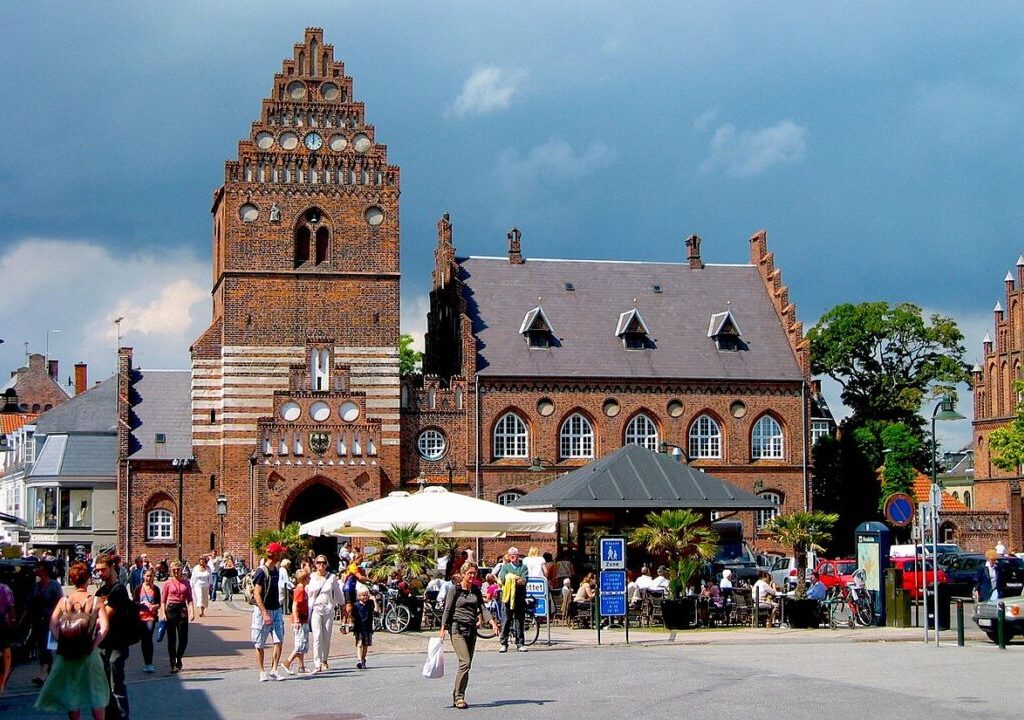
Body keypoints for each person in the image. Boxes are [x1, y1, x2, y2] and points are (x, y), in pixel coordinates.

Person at [35, 561, 109, 720]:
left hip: (67, 653)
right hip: (89, 654)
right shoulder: (96, 601)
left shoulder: (64, 600)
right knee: (96, 693)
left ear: (72, 579)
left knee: (71, 692)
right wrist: (93, 645)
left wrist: (62, 640)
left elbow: (53, 623)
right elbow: (104, 628)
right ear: (88, 579)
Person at [439, 562, 499, 710]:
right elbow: (447, 609)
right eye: (469, 573)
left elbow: (482, 608)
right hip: (457, 629)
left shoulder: (476, 590)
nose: (472, 576)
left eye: (474, 573)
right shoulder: (455, 589)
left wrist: (492, 623)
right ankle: (459, 697)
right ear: (463, 574)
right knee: (464, 662)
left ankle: (458, 693)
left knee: (467, 665)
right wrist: (443, 628)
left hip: (471, 630)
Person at [93, 555, 133, 720]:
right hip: (103, 644)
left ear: (111, 568)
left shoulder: (118, 590)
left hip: (118, 643)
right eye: (97, 570)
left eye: (103, 570)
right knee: (104, 684)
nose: (100, 573)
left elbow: (104, 616)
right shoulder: (101, 591)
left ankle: (122, 716)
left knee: (116, 684)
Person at [252, 542, 288, 681]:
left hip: (276, 609)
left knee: (279, 639)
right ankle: (262, 671)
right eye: (280, 553)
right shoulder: (261, 571)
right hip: (263, 611)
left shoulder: (276, 570)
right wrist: (264, 613)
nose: (282, 555)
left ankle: (274, 669)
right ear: (275, 554)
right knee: (259, 643)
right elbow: (257, 594)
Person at [25, 561, 63, 686]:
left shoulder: (54, 585)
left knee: (49, 647)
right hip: (37, 621)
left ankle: (43, 674)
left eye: (39, 567)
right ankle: (49, 674)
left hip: (51, 621)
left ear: (45, 570)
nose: (36, 569)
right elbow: (30, 603)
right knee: (41, 647)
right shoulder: (35, 586)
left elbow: (61, 602)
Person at [306, 554, 341, 674]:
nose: (321, 565)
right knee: (317, 636)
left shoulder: (332, 577)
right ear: (315, 564)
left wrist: (342, 604)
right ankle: (317, 663)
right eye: (319, 563)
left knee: (326, 636)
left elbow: (337, 593)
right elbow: (307, 592)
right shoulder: (311, 577)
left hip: (328, 610)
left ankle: (324, 660)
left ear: (327, 564)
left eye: (324, 563)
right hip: (315, 609)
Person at [160, 560, 195, 673]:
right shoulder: (167, 583)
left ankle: (178, 657)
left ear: (181, 570)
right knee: (171, 638)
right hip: (171, 609)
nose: (176, 572)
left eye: (178, 570)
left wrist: (192, 611)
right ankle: (172, 663)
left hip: (182, 608)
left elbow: (190, 599)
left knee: (183, 639)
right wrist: (163, 613)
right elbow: (163, 601)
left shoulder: (186, 582)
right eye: (173, 570)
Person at [497, 546, 529, 653]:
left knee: (519, 621)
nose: (512, 556)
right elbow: (502, 579)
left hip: (519, 597)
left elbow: (523, 581)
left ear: (517, 555)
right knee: (506, 620)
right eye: (510, 555)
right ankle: (503, 643)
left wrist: (511, 578)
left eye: (514, 554)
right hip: (507, 598)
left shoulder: (523, 567)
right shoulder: (505, 567)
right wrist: (515, 578)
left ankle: (520, 644)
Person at [281, 568, 309, 675]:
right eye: (308, 577)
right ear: (304, 579)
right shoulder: (300, 590)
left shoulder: (302, 589)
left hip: (303, 619)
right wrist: (297, 619)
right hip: (300, 620)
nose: (309, 579)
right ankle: (287, 662)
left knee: (303, 643)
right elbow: (295, 605)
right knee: (300, 644)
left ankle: (301, 667)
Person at [134, 568, 161, 673]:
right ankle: (146, 663)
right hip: (140, 617)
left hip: (151, 617)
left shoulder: (156, 589)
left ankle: (149, 663)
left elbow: (158, 603)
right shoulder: (138, 588)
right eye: (147, 576)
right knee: (144, 639)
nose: (148, 578)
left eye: (150, 576)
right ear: (143, 576)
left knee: (148, 637)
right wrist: (142, 604)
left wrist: (154, 606)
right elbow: (135, 602)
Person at [341, 552, 370, 633]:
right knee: (348, 607)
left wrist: (367, 583)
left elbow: (359, 579)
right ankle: (344, 625)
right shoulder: (353, 566)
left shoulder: (355, 567)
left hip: (352, 588)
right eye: (361, 559)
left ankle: (350, 625)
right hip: (348, 588)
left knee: (350, 607)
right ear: (356, 558)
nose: (361, 561)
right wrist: (370, 580)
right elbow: (359, 577)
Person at [352, 587, 374, 669]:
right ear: (359, 596)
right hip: (359, 627)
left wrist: (374, 600)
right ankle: (359, 660)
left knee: (365, 645)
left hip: (368, 627)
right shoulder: (356, 605)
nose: (365, 597)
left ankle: (363, 659)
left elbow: (376, 610)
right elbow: (352, 616)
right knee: (359, 643)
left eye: (366, 595)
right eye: (363, 595)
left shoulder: (370, 604)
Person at [0, 578, 13, 694]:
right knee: (6, 651)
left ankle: (3, 682)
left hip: (2, 621)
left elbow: (10, 608)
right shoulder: (5, 588)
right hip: (2, 621)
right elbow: (11, 608)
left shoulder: (4, 588)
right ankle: (3, 682)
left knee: (6, 651)